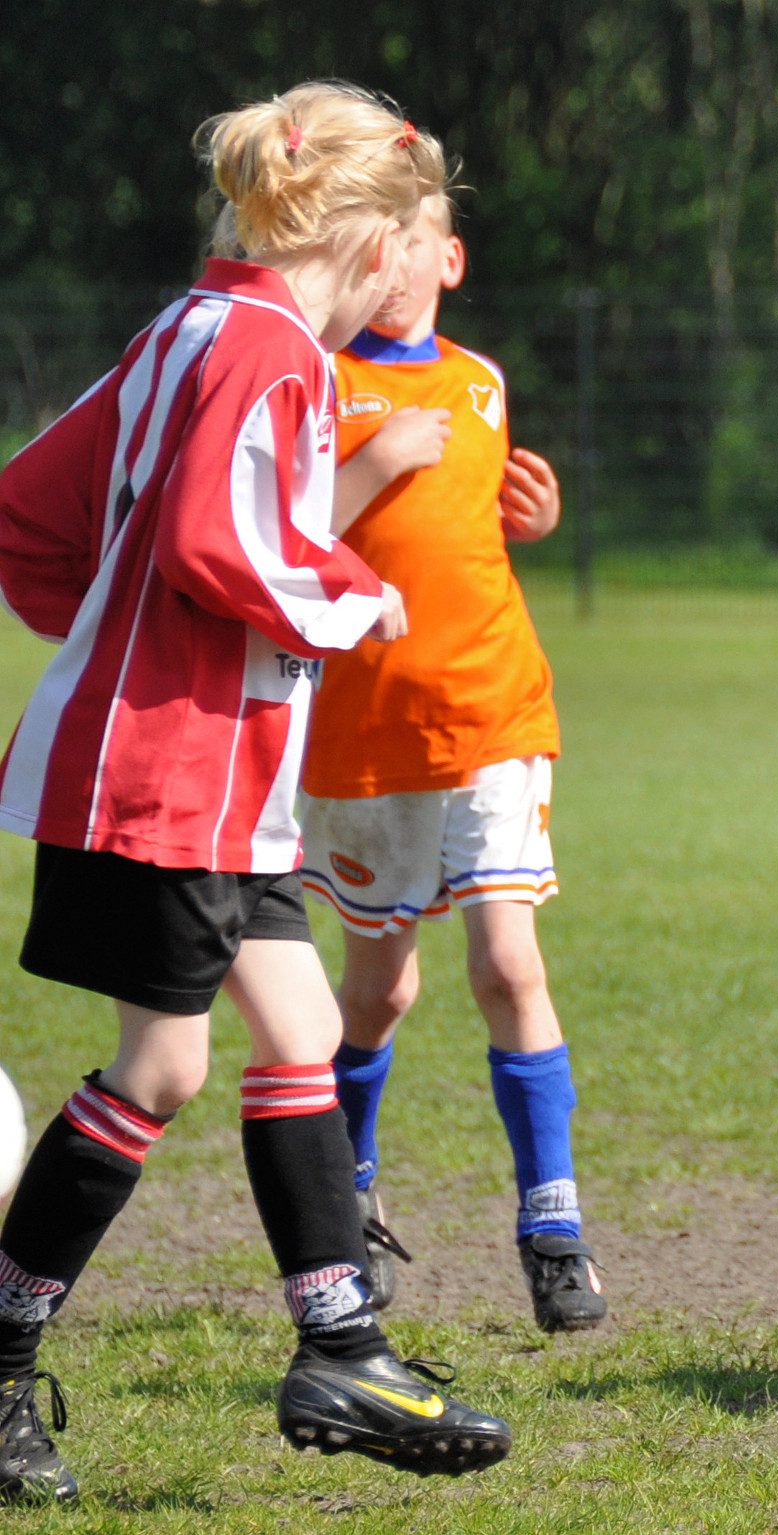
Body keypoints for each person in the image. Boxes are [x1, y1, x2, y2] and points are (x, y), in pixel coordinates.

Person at [0, 84, 514, 1499]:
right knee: (163, 1067)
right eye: (413, 238)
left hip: (215, 777)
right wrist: (348, 596)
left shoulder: (188, 325)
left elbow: (30, 507)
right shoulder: (272, 349)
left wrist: (106, 640)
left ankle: (341, 1343)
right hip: (166, 774)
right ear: (371, 240)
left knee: (300, 1029)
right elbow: (215, 543)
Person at [296, 190, 602, 1333]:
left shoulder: (480, 381)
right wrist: (379, 460)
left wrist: (536, 518)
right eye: (367, 243)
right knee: (380, 989)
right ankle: (346, 1194)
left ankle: (553, 1227)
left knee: (508, 966)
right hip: (364, 733)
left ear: (450, 256)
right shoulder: (314, 376)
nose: (388, 261)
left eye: (408, 238)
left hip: (490, 712)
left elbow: (464, 532)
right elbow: (278, 535)